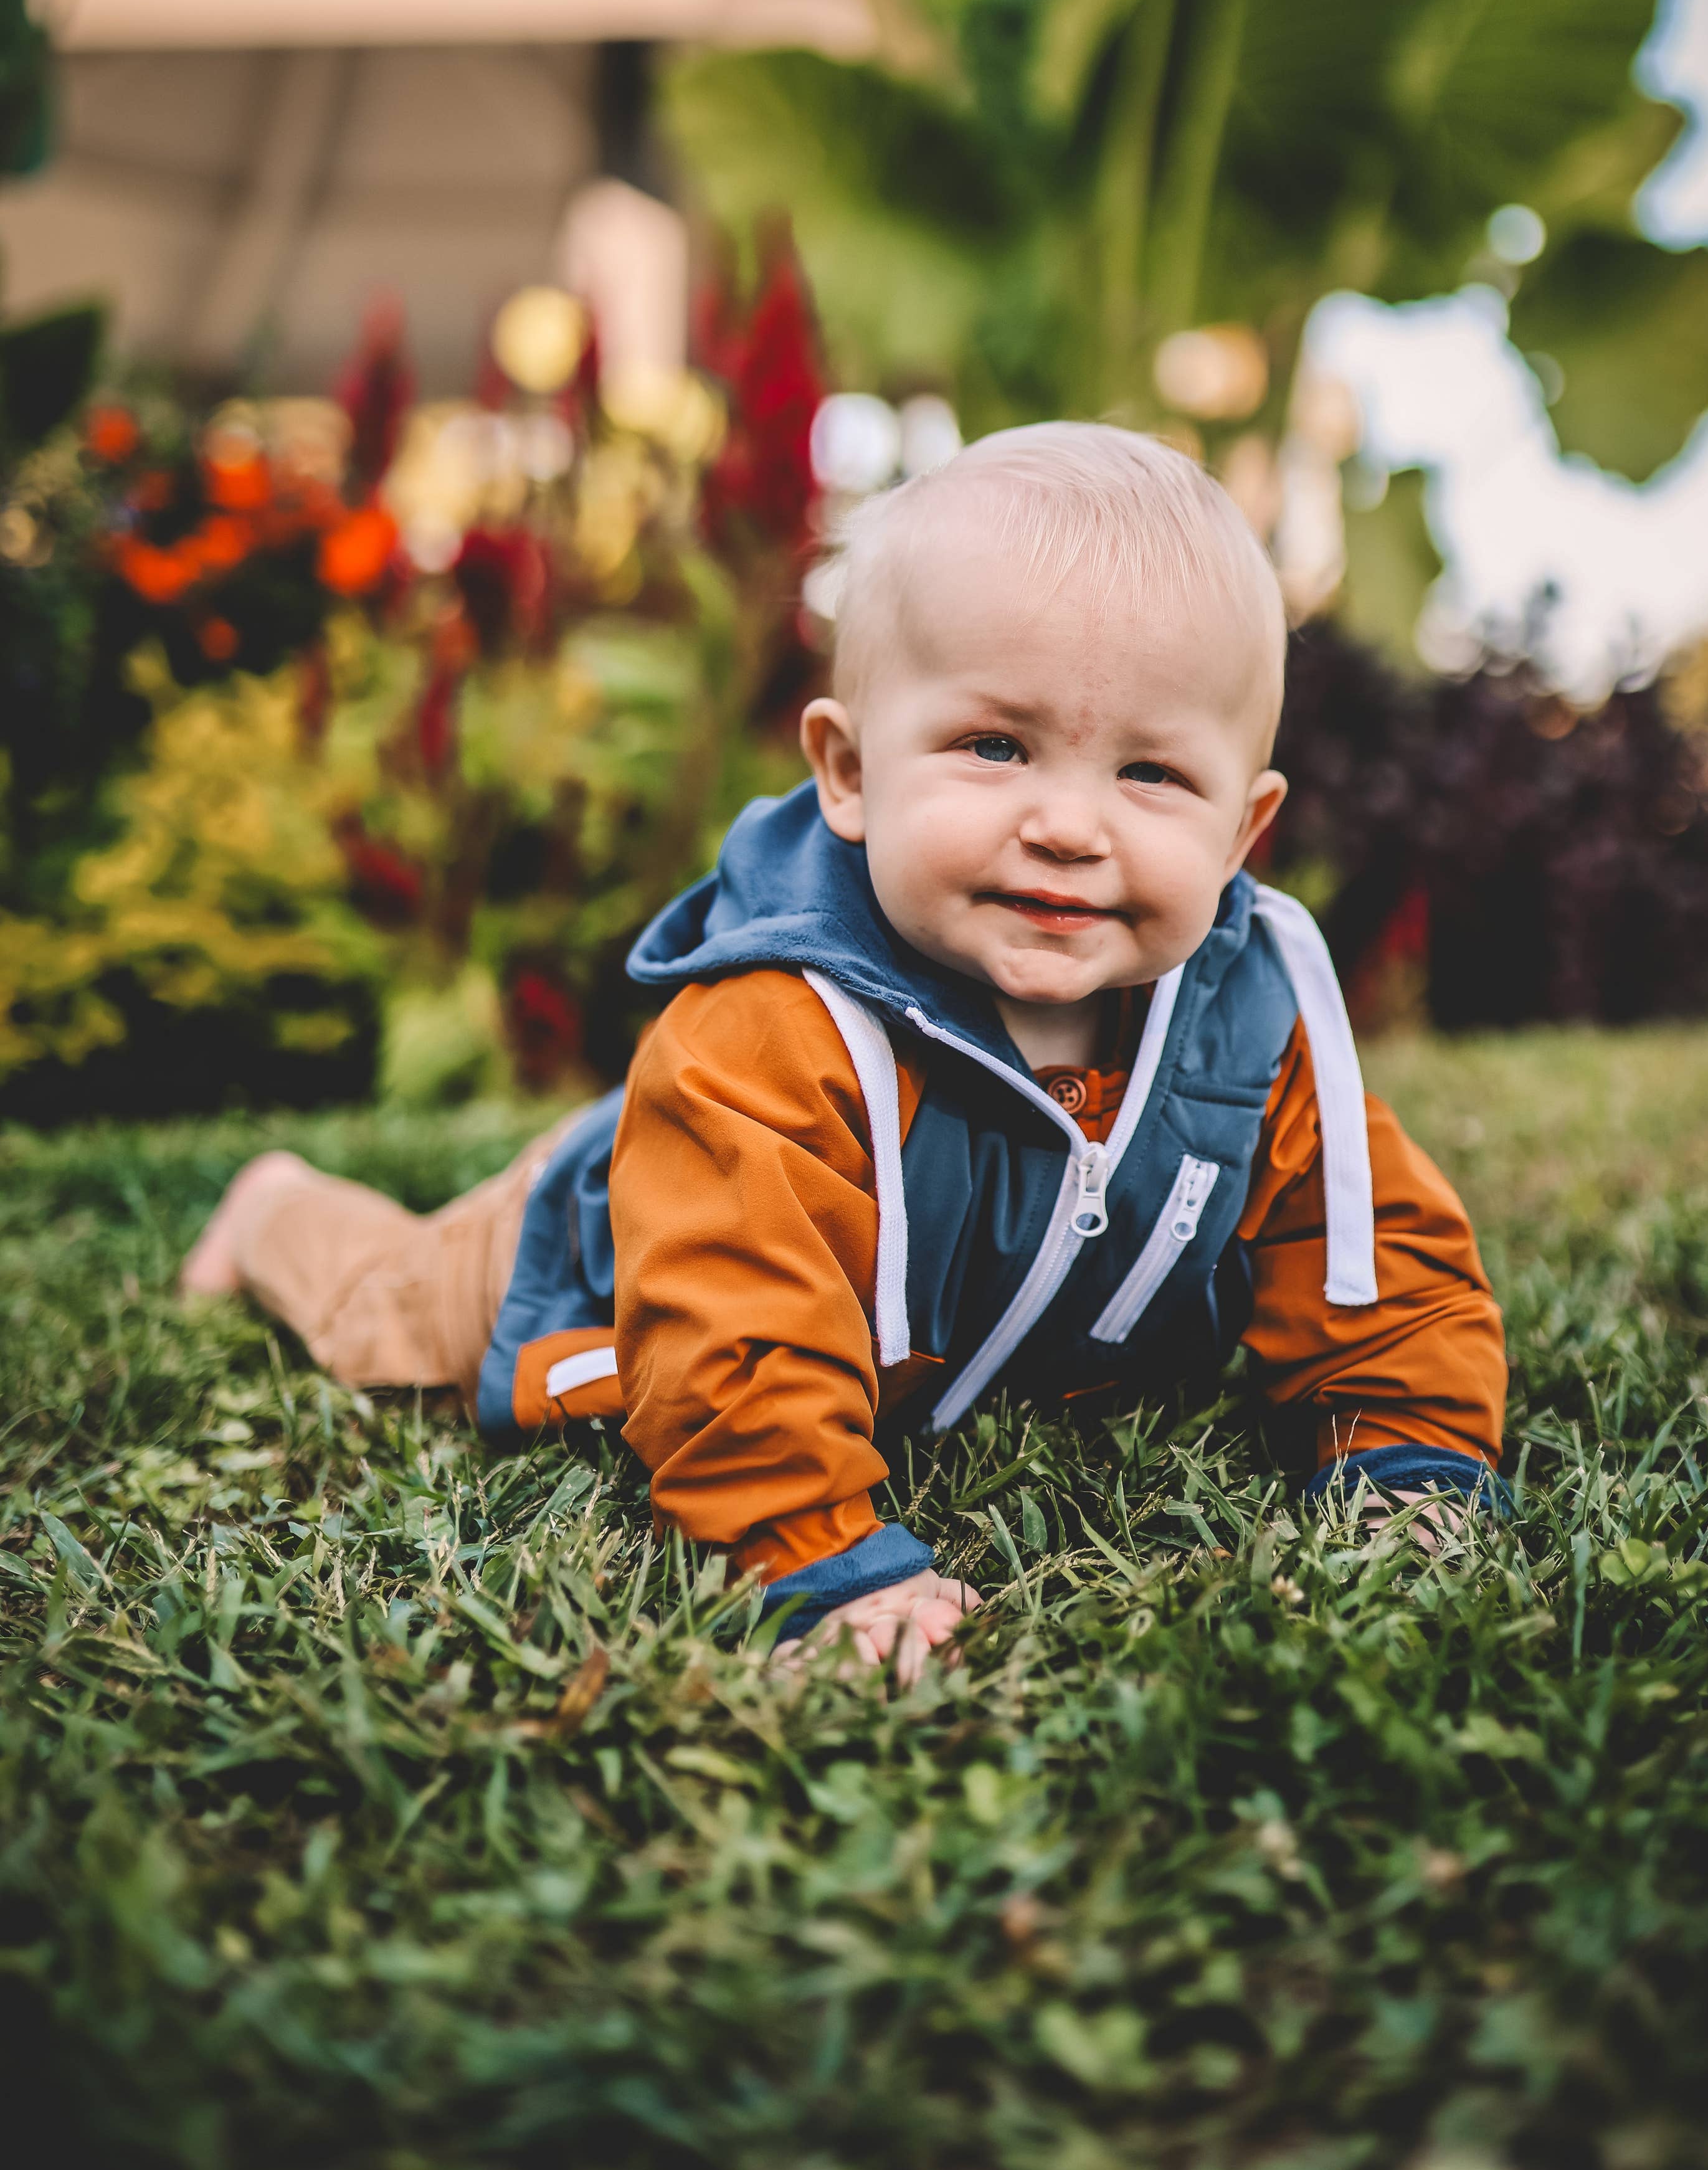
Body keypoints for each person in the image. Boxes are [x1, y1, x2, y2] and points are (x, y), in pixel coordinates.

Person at [186, 425, 1506, 1679]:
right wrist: (819, 1563)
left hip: (905, 1323)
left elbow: (1380, 1267)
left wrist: (1409, 1466)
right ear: (849, 771)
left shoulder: (1258, 1035)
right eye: (996, 745)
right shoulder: (767, 1034)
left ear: (1242, 828)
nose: (1066, 823)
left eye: (1152, 773)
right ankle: (276, 1212)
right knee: (385, 1314)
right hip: (599, 1249)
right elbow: (728, 1338)